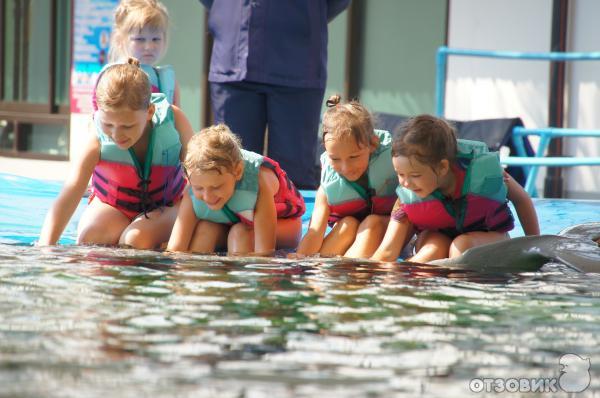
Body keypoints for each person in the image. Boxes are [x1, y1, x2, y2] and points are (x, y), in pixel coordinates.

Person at [39, 59, 194, 249]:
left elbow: (199, 171)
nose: (116, 134)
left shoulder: (173, 120)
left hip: (167, 205)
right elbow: (70, 193)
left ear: (149, 111)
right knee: (91, 240)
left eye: (128, 126)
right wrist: (45, 248)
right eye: (108, 124)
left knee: (135, 240)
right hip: (113, 206)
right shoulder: (96, 138)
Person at [198, 0, 351, 189]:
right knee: (231, 172)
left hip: (298, 64)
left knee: (294, 178)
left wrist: (306, 15)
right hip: (233, 57)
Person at [371, 115, 540, 263]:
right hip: (437, 237)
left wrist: (535, 246)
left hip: (483, 237)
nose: (405, 183)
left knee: (461, 245)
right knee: (433, 248)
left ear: (443, 167)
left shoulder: (481, 173)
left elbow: (522, 199)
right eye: (400, 174)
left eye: (415, 175)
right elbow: (387, 252)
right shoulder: (408, 195)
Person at [167, 124, 306, 255]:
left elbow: (264, 254)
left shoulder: (257, 182)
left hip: (284, 225)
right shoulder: (194, 184)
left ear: (238, 171)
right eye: (199, 188)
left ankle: (238, 278)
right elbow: (175, 250)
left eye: (216, 187)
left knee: (239, 233)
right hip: (232, 221)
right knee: (205, 230)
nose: (207, 196)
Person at [295, 95, 398, 258]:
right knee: (347, 224)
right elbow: (314, 233)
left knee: (372, 224)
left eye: (354, 157)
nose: (346, 168)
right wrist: (298, 260)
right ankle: (323, 275)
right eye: (335, 159)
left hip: (389, 229)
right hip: (351, 229)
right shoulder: (329, 186)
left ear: (373, 144)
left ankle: (350, 278)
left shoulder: (395, 164)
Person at [102, 0, 180, 106]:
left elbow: (175, 117)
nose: (149, 47)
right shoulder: (112, 77)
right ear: (119, 40)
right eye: (139, 39)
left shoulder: (168, 81)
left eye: (156, 39)